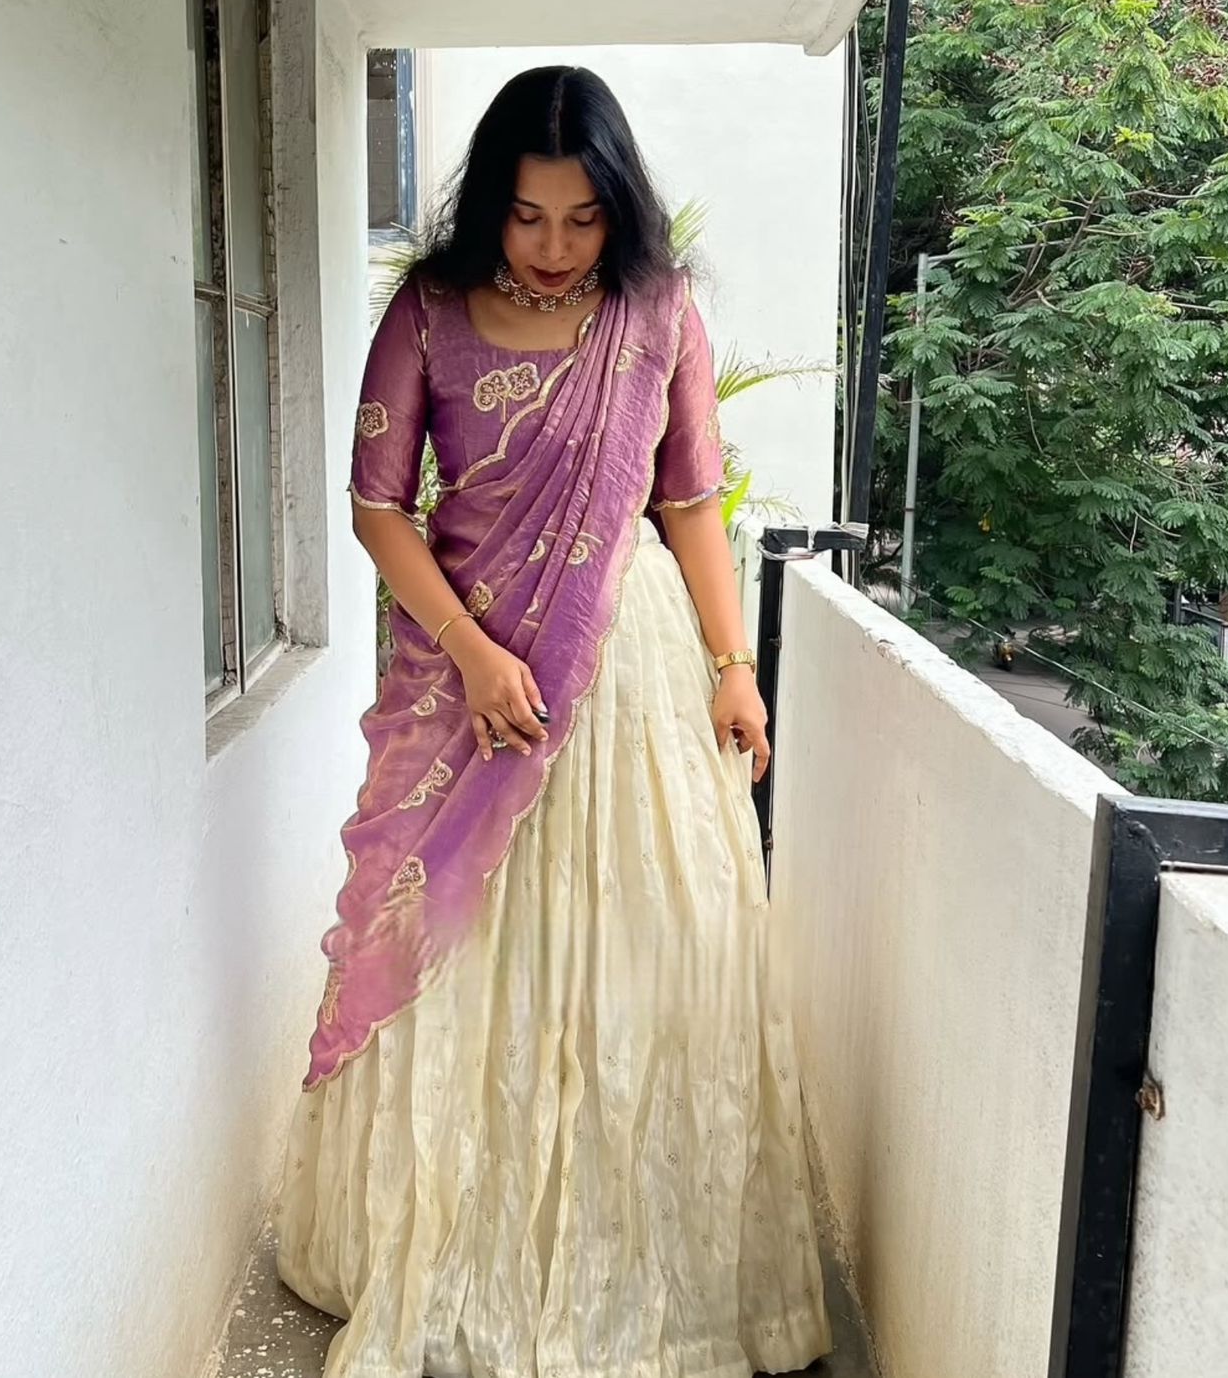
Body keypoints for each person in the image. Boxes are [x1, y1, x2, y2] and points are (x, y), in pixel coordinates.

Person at [277, 66, 831, 1378]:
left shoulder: (657, 314)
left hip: (629, 675)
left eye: (584, 218)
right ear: (493, 202)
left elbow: (688, 503)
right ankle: (458, 1250)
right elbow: (376, 506)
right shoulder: (428, 310)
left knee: (650, 947)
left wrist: (733, 664)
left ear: (617, 209)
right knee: (464, 953)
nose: (555, 246)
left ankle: (634, 1267)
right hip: (468, 681)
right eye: (529, 216)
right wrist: (470, 654)